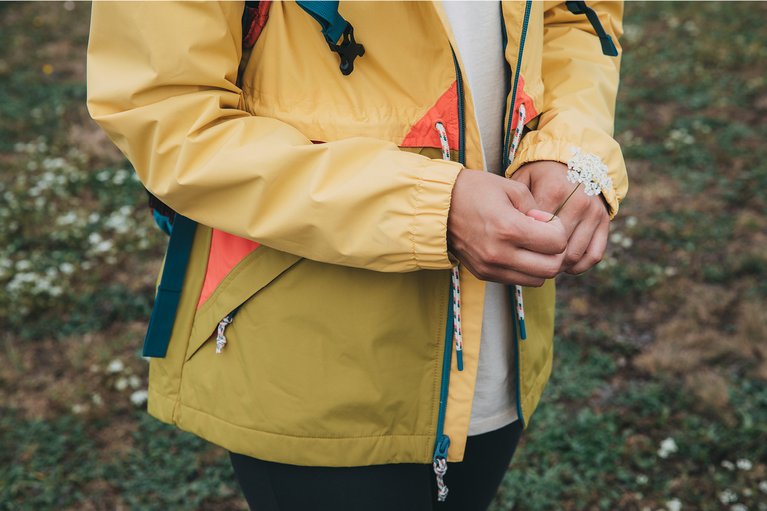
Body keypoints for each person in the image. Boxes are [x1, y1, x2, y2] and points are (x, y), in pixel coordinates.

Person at [87, 1, 627, 509]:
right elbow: (169, 116)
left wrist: (569, 148)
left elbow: (574, 16)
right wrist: (430, 209)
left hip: (502, 343)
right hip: (310, 368)